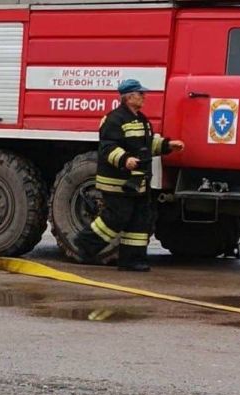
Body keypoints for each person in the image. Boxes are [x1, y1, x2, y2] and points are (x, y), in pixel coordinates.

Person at [73, 78, 184, 271]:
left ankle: (132, 260)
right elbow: (107, 148)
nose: (144, 97)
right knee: (117, 217)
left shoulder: (141, 120)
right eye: (141, 94)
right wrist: (125, 159)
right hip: (117, 181)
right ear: (129, 96)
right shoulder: (114, 119)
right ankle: (84, 244)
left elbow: (146, 145)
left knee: (140, 221)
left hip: (138, 181)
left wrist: (167, 145)